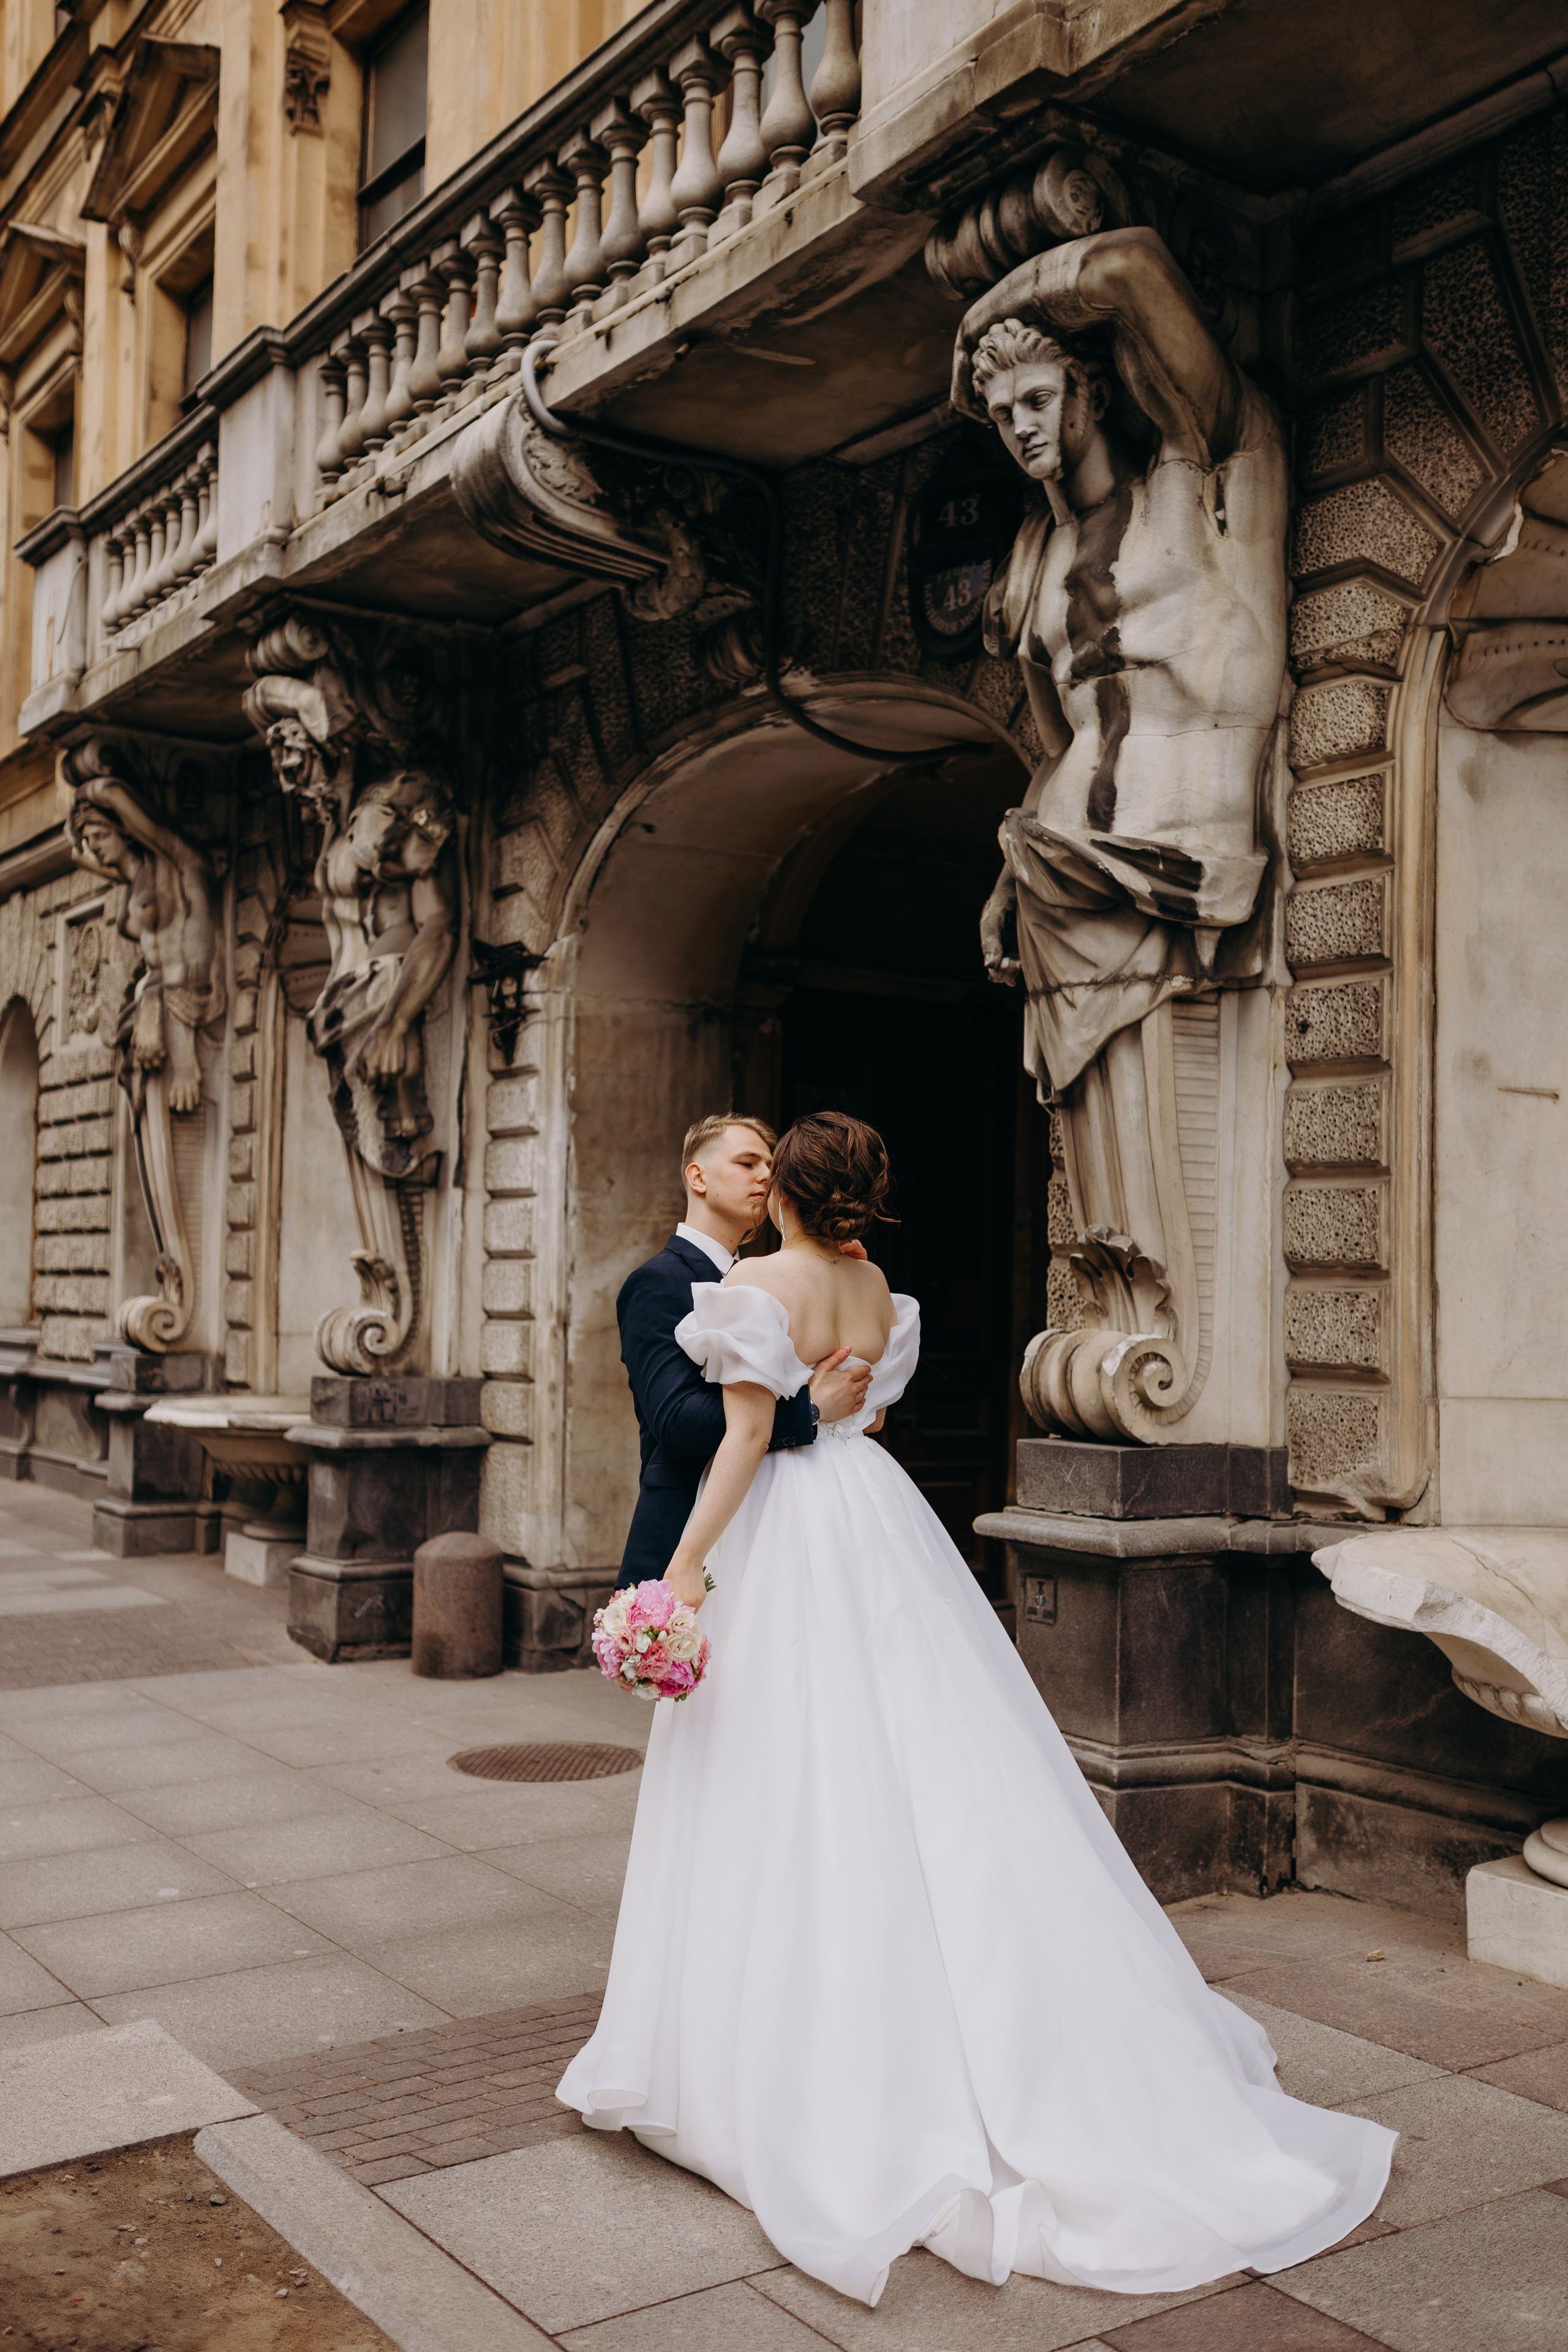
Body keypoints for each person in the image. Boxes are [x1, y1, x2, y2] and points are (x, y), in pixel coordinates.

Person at [561, 1111, 1394, 2309]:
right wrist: (826, 1405)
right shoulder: (875, 1290)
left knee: (780, 1765)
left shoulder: (751, 1286)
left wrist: (684, 1567)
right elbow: (868, 1421)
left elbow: (744, 1437)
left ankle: (773, 2052)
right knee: (923, 1745)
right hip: (871, 1510)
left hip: (787, 1524)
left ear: (784, 1194)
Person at [613, 1114, 872, 1589]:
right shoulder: (658, 1283)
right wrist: (809, 1409)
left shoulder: (775, 1279)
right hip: (687, 1525)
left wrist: (838, 1271)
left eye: (771, 1167)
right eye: (747, 1162)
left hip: (789, 1523)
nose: (765, 1176)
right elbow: (676, 1422)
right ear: (698, 1176)